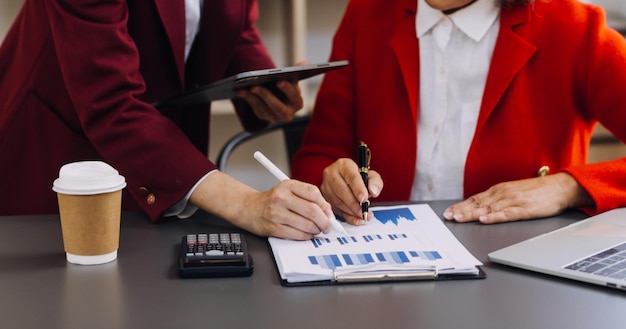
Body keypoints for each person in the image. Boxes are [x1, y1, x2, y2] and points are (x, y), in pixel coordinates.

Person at [0, 0, 334, 240]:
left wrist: (264, 89)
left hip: (160, 163)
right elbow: (111, 101)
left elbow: (232, 23)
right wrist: (247, 203)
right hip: (56, 157)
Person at [291, 0, 626, 226]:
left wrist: (568, 188)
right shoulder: (366, 14)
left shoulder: (572, 27)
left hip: (520, 277)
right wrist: (332, 184)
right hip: (386, 268)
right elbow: (318, 155)